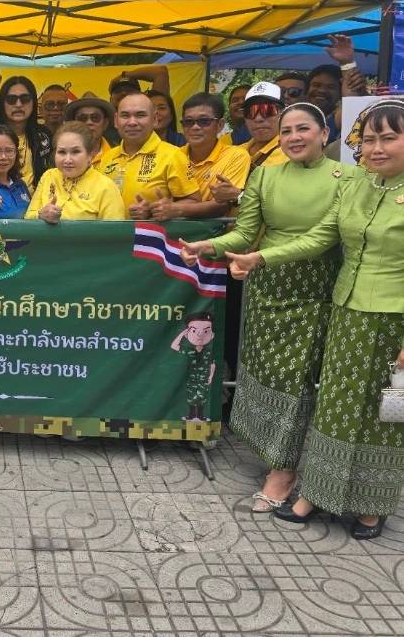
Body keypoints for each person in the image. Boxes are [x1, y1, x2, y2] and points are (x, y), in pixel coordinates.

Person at [218, 100, 403, 539]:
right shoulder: (360, 186)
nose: (377, 148)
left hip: (392, 320)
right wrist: (261, 257)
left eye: (389, 138)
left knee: (382, 412)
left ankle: (371, 506)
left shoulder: (357, 181)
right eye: (370, 139)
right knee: (334, 409)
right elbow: (321, 237)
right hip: (345, 311)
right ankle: (317, 492)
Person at [180, 102, 351, 515]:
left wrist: (260, 257)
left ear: (324, 134)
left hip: (318, 288)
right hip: (267, 287)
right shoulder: (265, 175)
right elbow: (244, 232)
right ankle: (277, 455)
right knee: (267, 375)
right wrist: (208, 246)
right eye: (286, 130)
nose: (294, 137)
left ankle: (285, 471)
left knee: (298, 379)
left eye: (303, 129)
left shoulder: (349, 178)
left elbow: (323, 238)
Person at [150, 93, 251, 221]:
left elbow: (222, 205)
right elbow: (159, 200)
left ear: (220, 125)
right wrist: (147, 209)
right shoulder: (173, 155)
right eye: (188, 122)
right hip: (172, 230)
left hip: (217, 231)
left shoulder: (236, 156)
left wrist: (177, 209)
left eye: (204, 121)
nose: (195, 127)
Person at [99, 93, 199, 218]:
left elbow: (194, 200)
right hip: (109, 230)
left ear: (155, 119)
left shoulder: (173, 155)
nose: (132, 122)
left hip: (149, 231)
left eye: (140, 115)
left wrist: (161, 210)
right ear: (116, 120)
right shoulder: (107, 157)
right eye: (125, 115)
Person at [27, 122, 125, 222]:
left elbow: (115, 230)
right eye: (62, 152)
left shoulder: (106, 187)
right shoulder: (49, 176)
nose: (67, 160)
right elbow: (28, 218)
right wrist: (40, 215)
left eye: (75, 152)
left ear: (90, 155)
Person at [0, 76, 53, 191]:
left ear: (33, 103)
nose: (18, 104)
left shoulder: (44, 135)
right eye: (11, 99)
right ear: (2, 103)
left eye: (25, 99)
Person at [64, 95, 116, 168]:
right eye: (83, 118)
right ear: (74, 124)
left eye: (95, 118)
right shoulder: (62, 154)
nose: (89, 122)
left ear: (105, 123)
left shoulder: (118, 154)